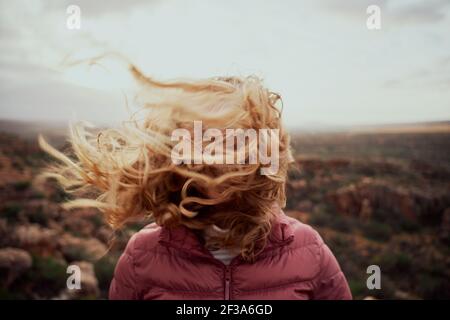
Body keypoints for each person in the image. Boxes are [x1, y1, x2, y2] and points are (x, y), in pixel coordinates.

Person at [40, 65, 352, 300]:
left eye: (239, 143)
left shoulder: (307, 249)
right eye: (206, 143)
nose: (221, 161)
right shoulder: (144, 255)